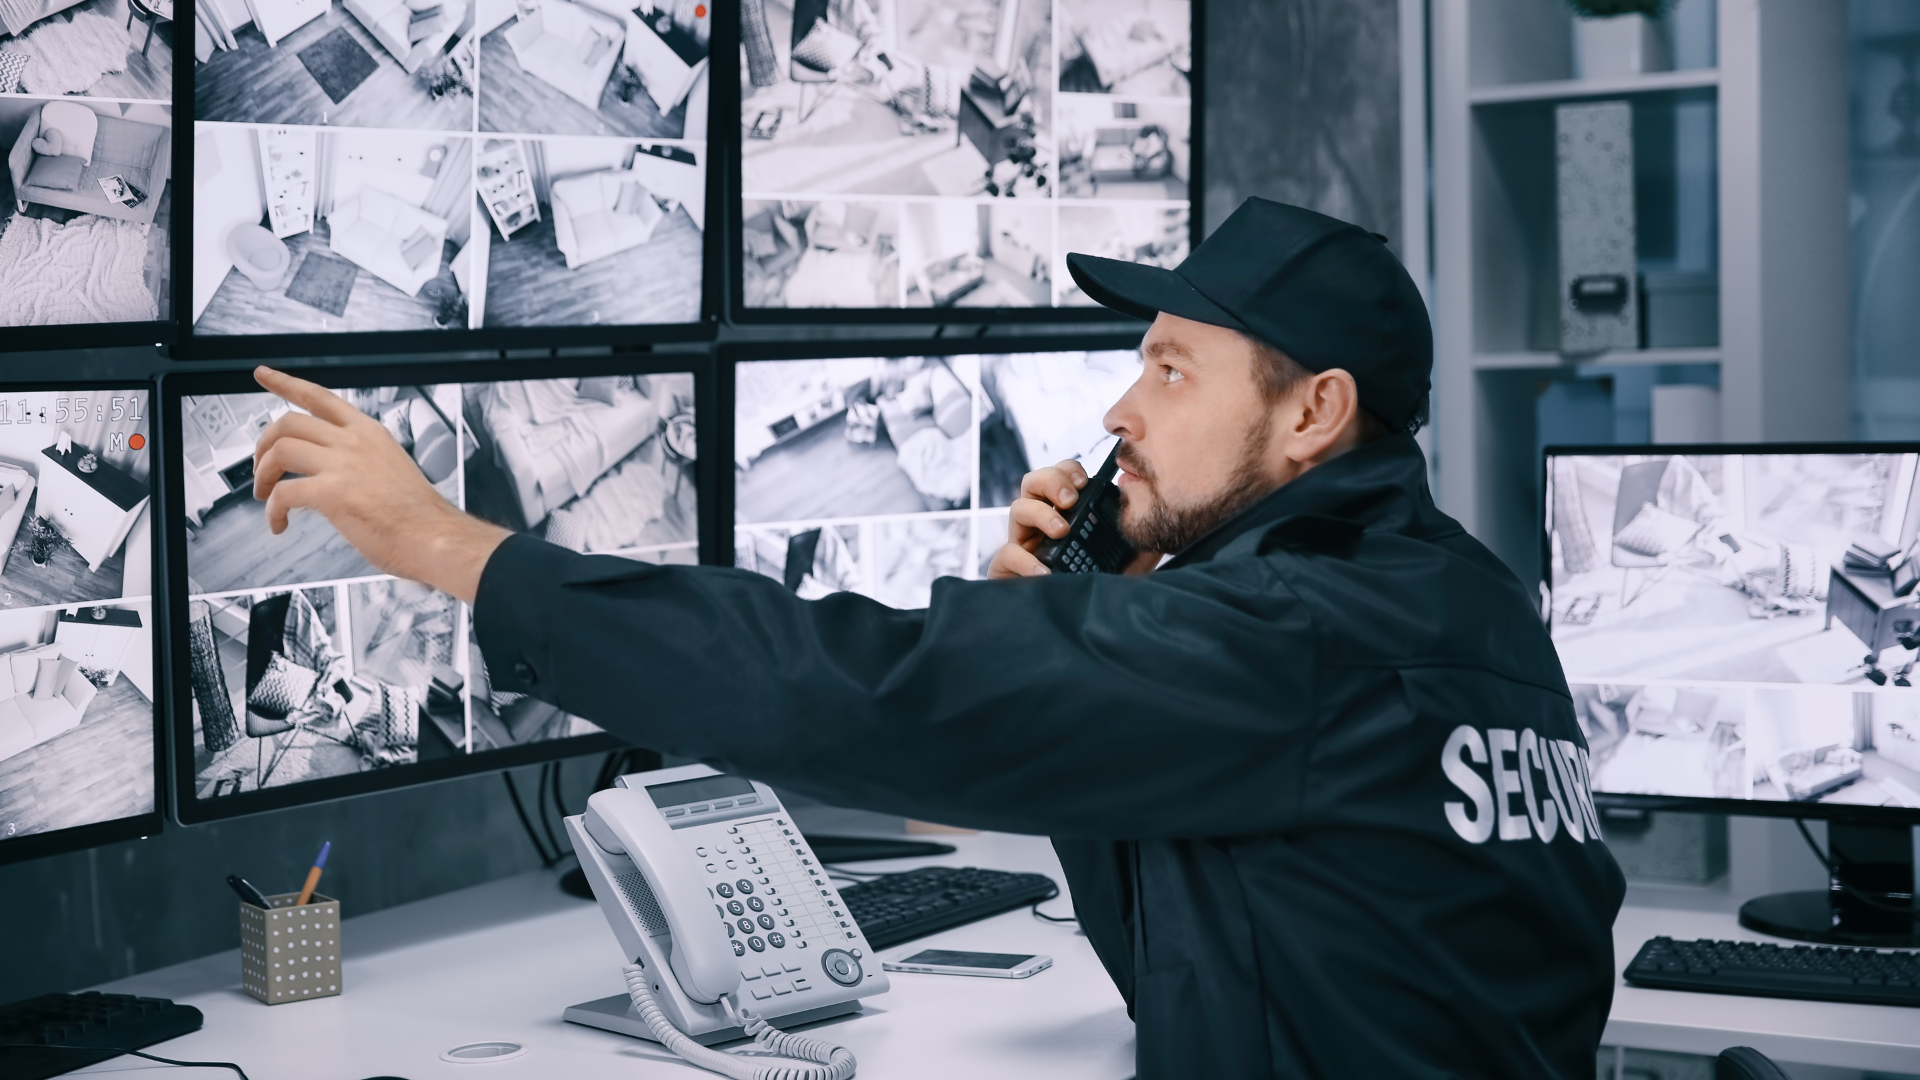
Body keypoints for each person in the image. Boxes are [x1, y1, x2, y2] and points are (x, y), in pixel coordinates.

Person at [249, 197, 1625, 1079]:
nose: (1119, 417)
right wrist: (1094, 611)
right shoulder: (1460, 596)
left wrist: (453, 546)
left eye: (1171, 368)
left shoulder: (1290, 633)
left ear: (1315, 413)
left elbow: (868, 692)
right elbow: (1187, 959)